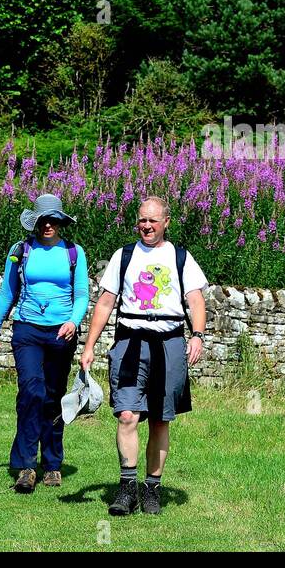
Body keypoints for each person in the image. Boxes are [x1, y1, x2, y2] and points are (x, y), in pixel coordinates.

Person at [79, 195, 207, 515]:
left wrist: (198, 335)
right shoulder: (123, 256)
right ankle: (126, 488)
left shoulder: (181, 258)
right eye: (142, 220)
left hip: (169, 343)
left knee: (161, 421)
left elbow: (195, 300)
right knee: (127, 414)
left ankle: (152, 488)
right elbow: (106, 302)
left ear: (166, 222)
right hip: (130, 342)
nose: (146, 226)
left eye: (153, 220)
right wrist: (89, 346)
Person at [0, 193, 89, 493]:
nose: (48, 225)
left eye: (54, 220)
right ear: (36, 222)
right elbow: (7, 292)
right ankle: (26, 466)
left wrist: (72, 320)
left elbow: (82, 293)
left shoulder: (74, 252)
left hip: (61, 333)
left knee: (53, 396)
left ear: (60, 222)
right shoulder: (21, 250)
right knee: (31, 391)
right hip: (27, 330)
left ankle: (53, 464)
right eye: (43, 220)